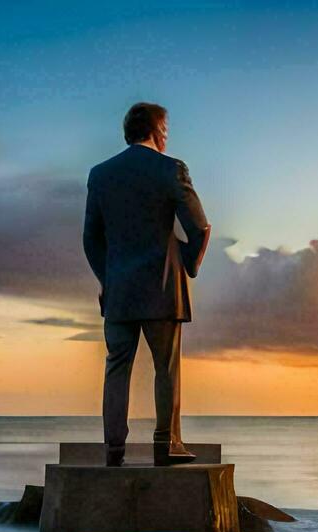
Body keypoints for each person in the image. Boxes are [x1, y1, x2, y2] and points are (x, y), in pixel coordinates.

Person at [82, 102, 211, 466]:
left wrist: (107, 279)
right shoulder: (170, 169)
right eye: (166, 128)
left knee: (116, 366)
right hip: (163, 287)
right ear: (156, 130)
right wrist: (188, 264)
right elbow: (200, 228)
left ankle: (113, 449)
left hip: (119, 288)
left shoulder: (101, 174)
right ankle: (166, 444)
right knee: (165, 367)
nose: (168, 135)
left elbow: (91, 238)